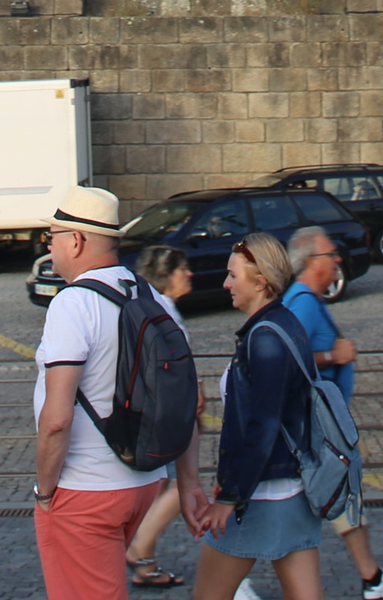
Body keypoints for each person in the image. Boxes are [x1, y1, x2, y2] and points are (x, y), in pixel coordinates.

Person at [33, 186, 196, 600]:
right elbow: (187, 399)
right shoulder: (152, 297)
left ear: (76, 240)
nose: (49, 247)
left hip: (85, 489)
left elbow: (57, 419)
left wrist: (45, 491)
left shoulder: (73, 304)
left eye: (51, 237)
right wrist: (188, 481)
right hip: (140, 482)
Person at [268, 229, 383, 600]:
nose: (337, 260)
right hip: (314, 428)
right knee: (329, 498)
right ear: (311, 262)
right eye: (331, 254)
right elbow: (285, 356)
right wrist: (335, 356)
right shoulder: (301, 301)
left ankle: (373, 579)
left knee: (334, 500)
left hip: (320, 427)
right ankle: (373, 580)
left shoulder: (308, 299)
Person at [193, 233, 318, 600]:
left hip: (258, 495)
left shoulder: (264, 338)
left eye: (233, 275)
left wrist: (230, 496)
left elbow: (262, 424)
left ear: (260, 281)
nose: (225, 283)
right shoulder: (284, 324)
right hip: (290, 489)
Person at [125, 246, 197, 589]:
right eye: (183, 268)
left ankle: (144, 561)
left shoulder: (149, 306)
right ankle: (139, 550)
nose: (189, 274)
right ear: (167, 276)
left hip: (150, 413)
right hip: (167, 416)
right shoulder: (166, 314)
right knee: (181, 485)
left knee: (161, 485)